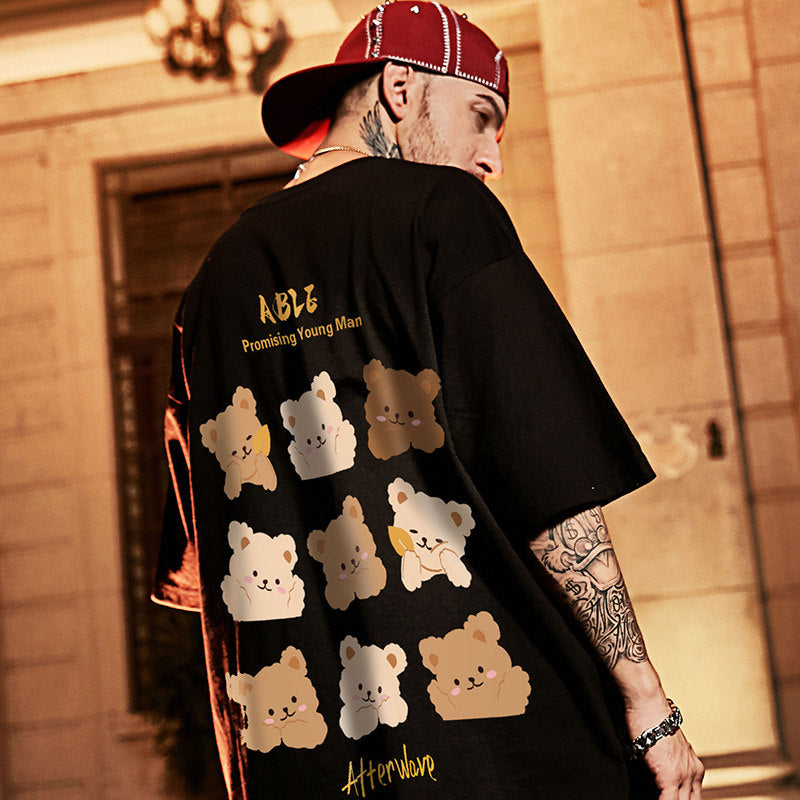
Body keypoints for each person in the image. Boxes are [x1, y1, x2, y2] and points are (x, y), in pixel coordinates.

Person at [154, 2, 705, 798]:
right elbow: (551, 493)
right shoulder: (445, 213)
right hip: (506, 754)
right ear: (402, 88)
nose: (492, 159)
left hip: (306, 771)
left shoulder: (211, 287)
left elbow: (209, 574)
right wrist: (648, 705)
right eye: (481, 117)